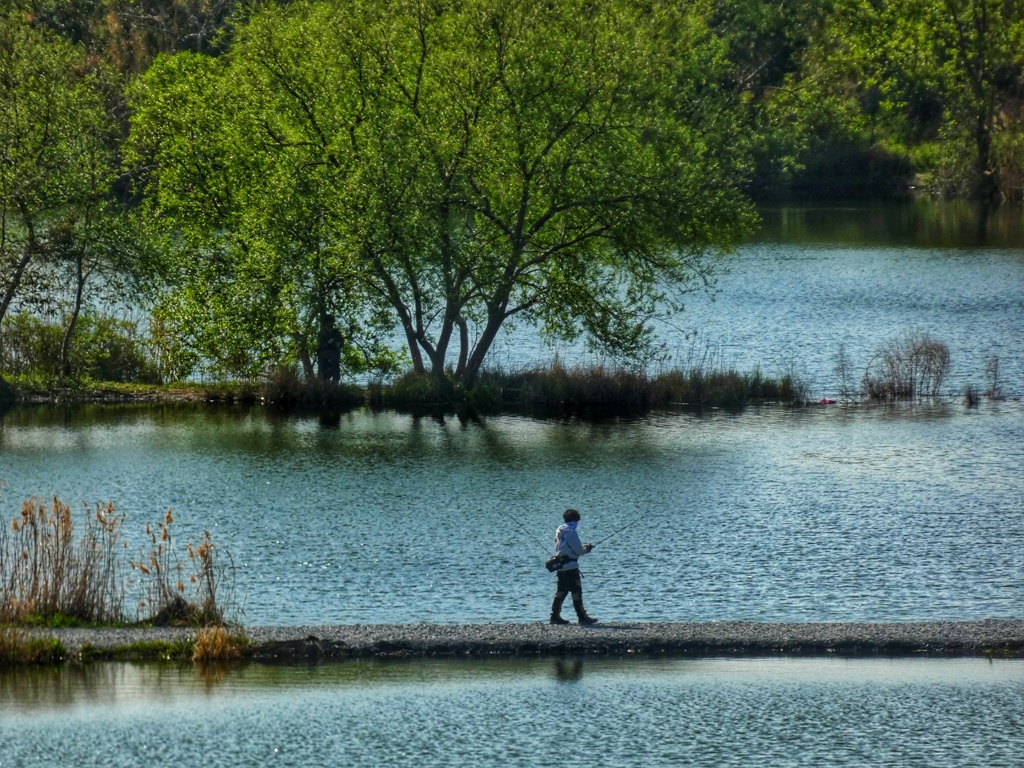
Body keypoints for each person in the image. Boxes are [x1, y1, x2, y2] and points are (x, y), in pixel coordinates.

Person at [550, 508, 598, 625]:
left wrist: (581, 548)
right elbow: (579, 551)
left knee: (561, 591)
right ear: (576, 520)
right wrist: (586, 549)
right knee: (576, 592)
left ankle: (554, 616)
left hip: (560, 566)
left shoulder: (559, 531)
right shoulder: (571, 532)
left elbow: (564, 547)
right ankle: (582, 617)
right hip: (571, 567)